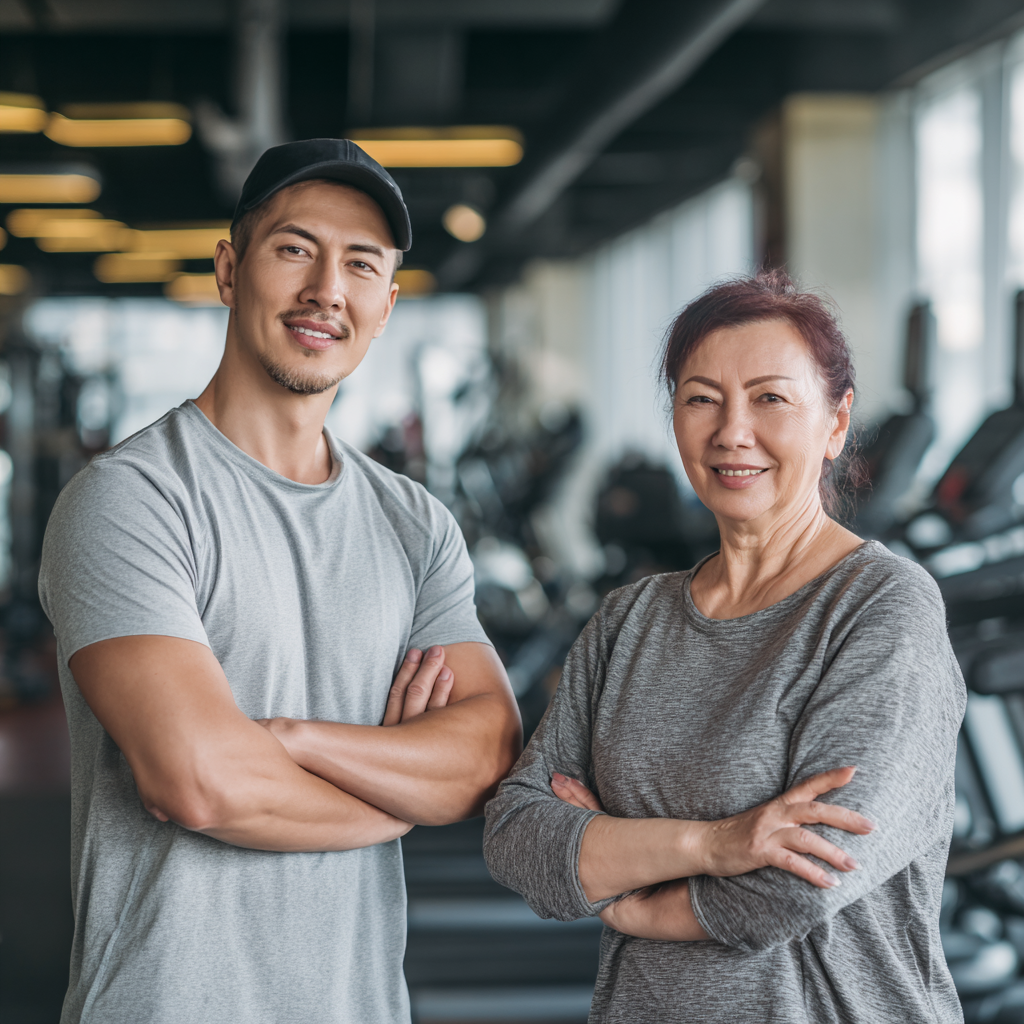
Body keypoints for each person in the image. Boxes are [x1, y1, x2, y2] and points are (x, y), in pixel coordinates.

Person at [38, 139, 522, 1024]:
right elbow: (197, 780)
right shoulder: (130, 502)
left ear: (386, 304)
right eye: (295, 249)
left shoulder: (415, 524)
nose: (326, 290)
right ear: (230, 270)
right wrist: (399, 801)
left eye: (360, 265)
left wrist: (295, 738)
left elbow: (487, 754)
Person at [483, 270, 966, 1023]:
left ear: (837, 422)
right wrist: (717, 844)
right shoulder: (628, 619)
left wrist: (624, 889)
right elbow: (519, 838)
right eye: (701, 398)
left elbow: (799, 883)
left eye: (770, 398)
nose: (731, 431)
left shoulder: (879, 607)